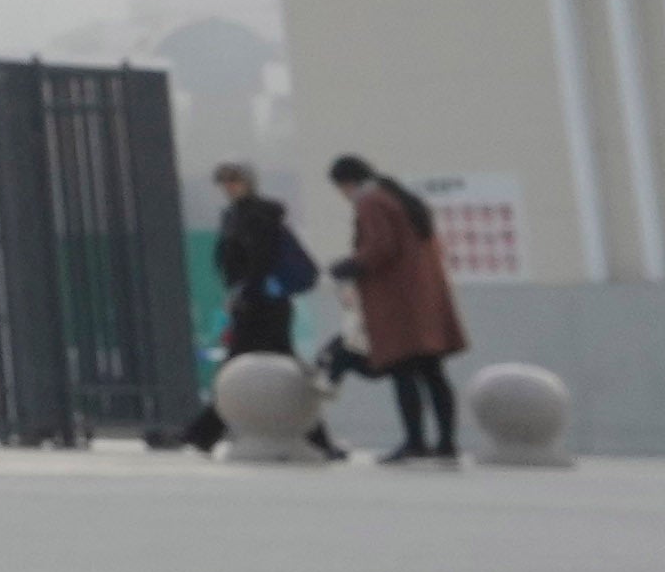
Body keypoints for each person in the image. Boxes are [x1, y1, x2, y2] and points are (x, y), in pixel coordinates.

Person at [330, 153, 467, 460]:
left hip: (398, 301)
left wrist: (350, 265)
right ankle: (446, 443)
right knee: (433, 372)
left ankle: (415, 441)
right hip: (425, 299)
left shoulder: (371, 202)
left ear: (347, 183)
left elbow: (380, 247)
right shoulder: (399, 197)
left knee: (402, 371)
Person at [190, 164, 319, 443]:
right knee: (285, 365)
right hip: (260, 302)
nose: (229, 187)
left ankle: (203, 434)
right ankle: (316, 436)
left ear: (249, 182)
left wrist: (245, 293)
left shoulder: (255, 216)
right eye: (224, 181)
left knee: (236, 364)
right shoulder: (236, 215)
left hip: (260, 304)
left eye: (235, 180)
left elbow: (257, 260)